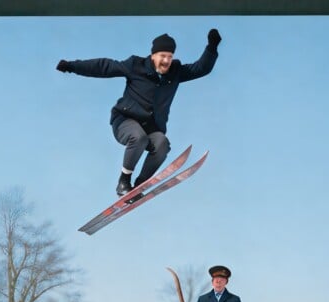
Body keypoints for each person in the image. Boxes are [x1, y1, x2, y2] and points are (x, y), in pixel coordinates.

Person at [56, 29, 222, 196]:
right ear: (153, 56)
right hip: (124, 122)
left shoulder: (175, 72)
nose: (166, 61)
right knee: (139, 137)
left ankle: (139, 186)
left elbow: (201, 68)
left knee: (162, 144)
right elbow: (104, 66)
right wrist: (71, 66)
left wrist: (212, 47)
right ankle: (124, 181)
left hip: (151, 128)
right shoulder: (135, 66)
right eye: (163, 56)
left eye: (170, 57)